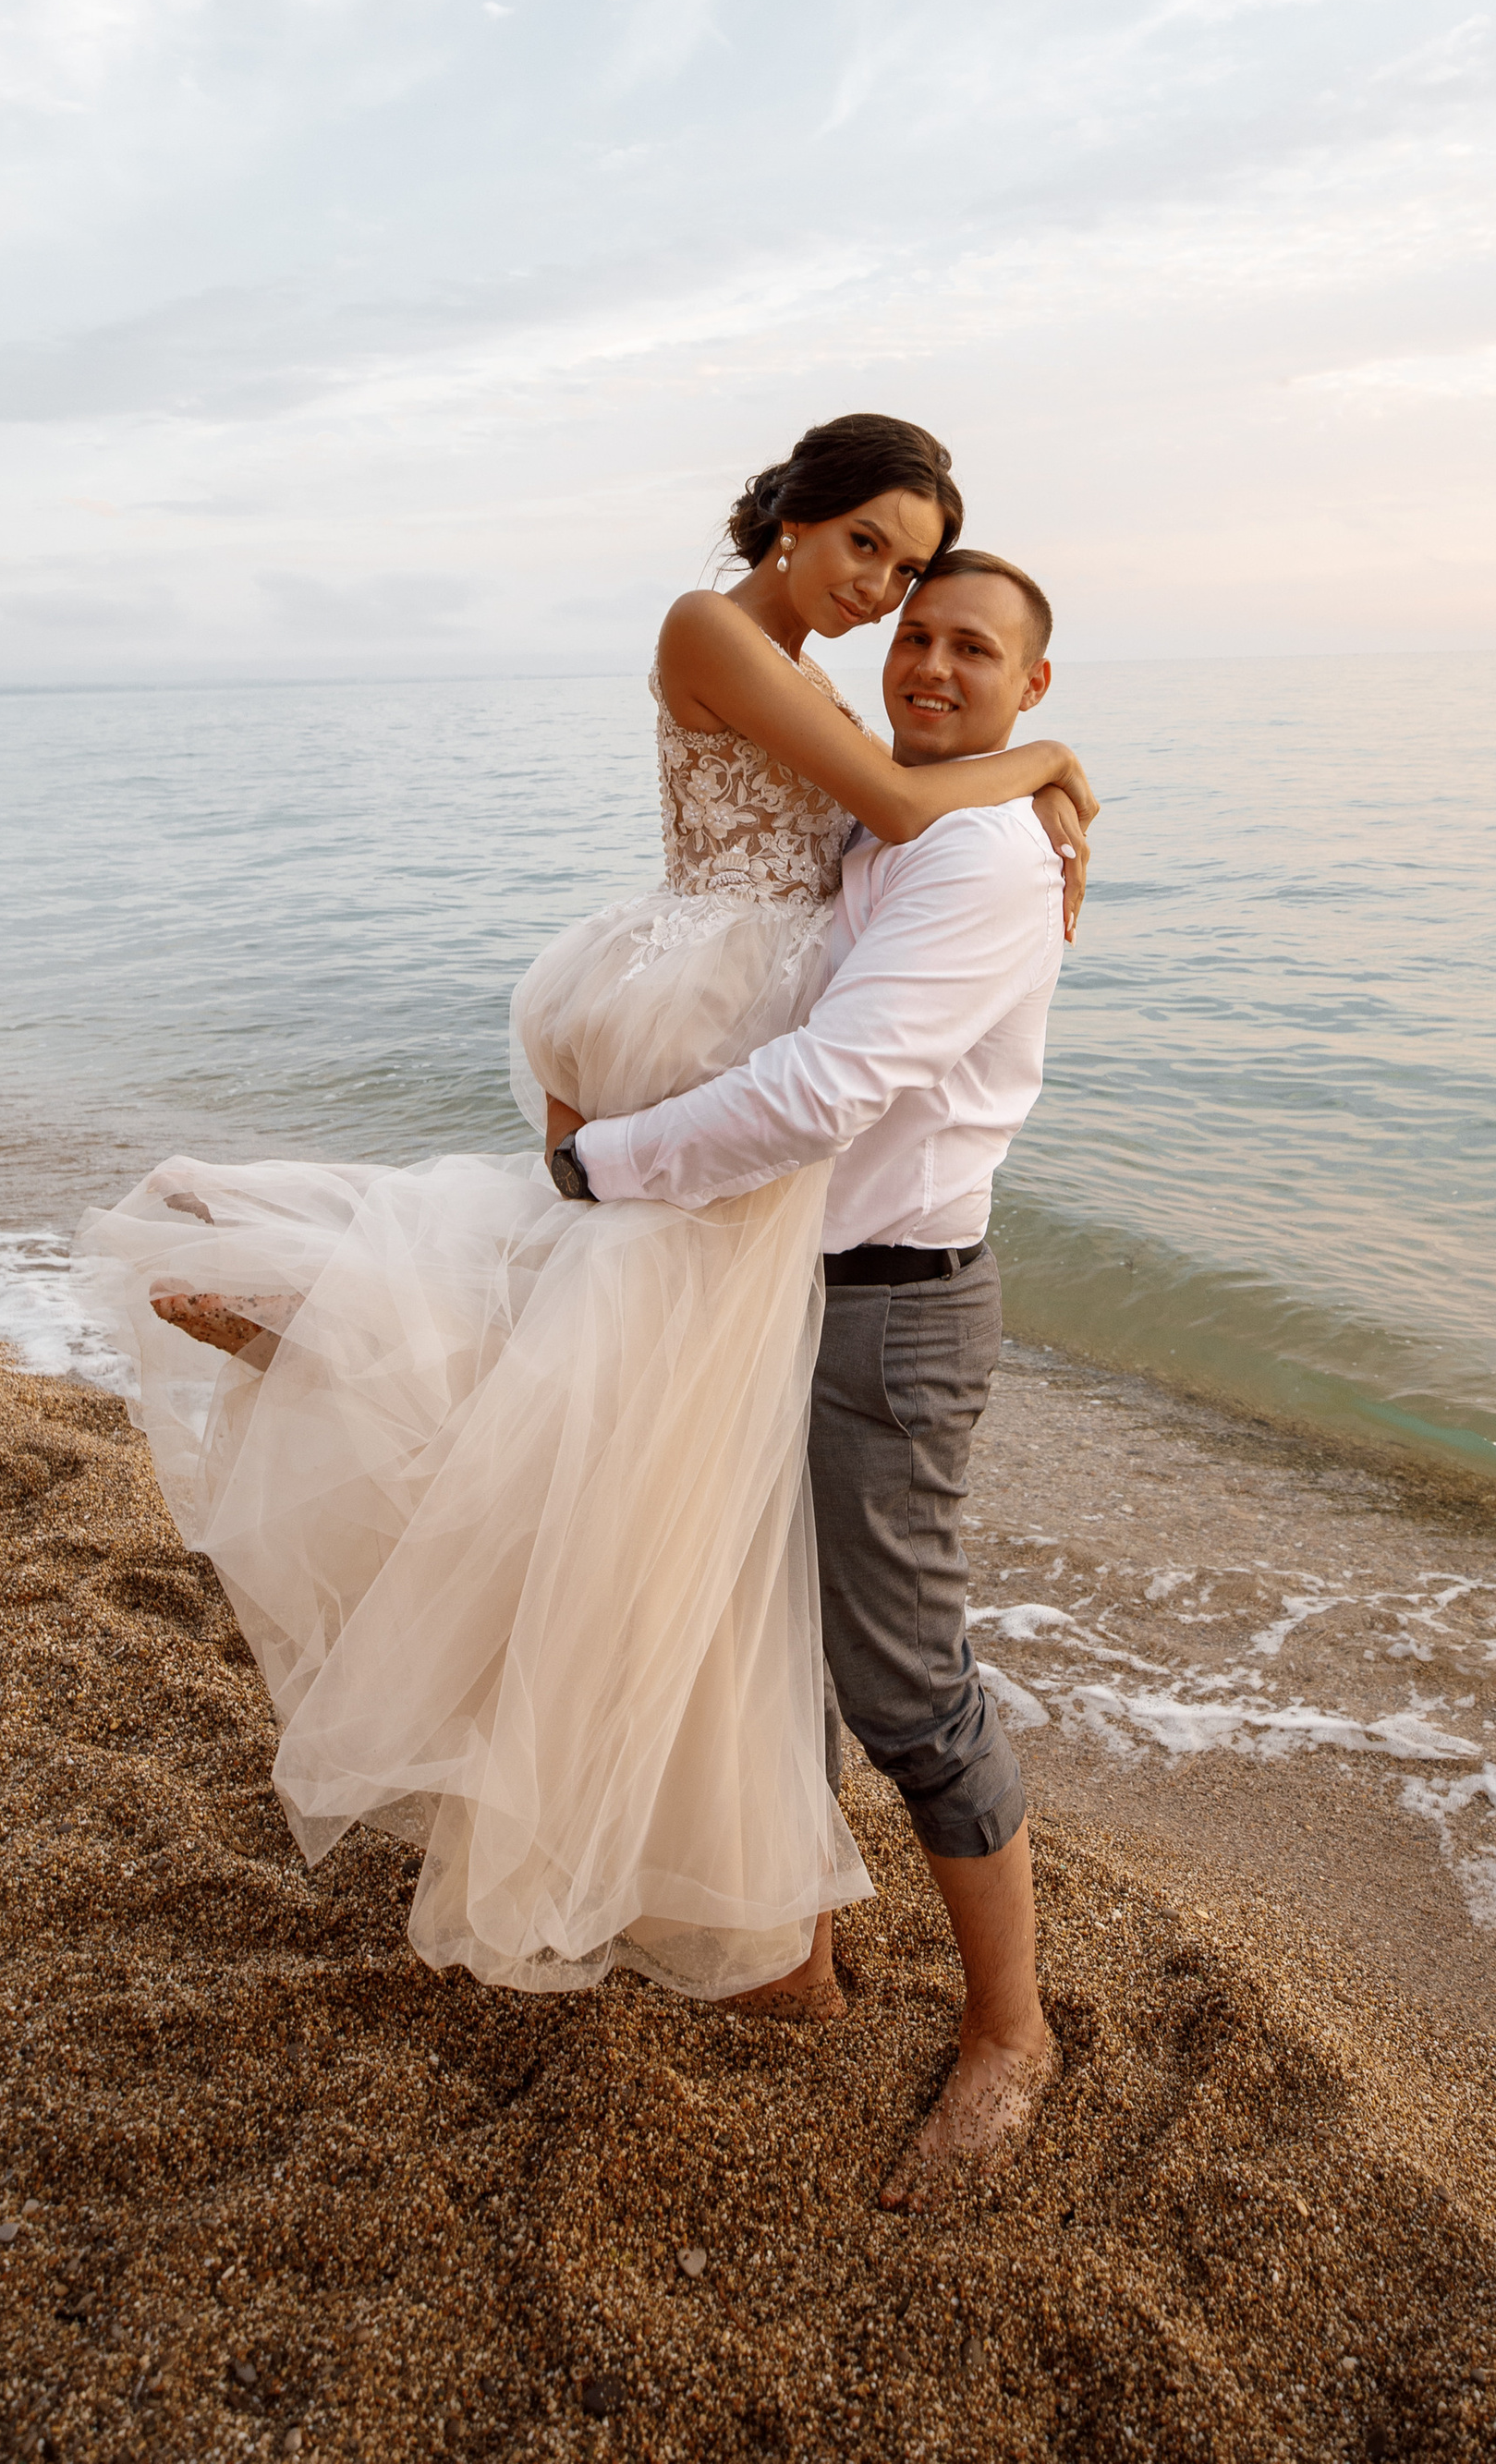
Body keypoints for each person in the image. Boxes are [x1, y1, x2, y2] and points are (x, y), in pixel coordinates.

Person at [77, 416, 1095, 2013]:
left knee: (630, 1406)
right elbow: (893, 812)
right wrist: (1051, 764)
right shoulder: (720, 630)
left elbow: (894, 808)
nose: (889, 602)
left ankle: (340, 1321)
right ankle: (336, 1314)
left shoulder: (931, 806)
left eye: (918, 584)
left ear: (1024, 670)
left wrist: (1015, 773)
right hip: (718, 1017)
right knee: (625, 1397)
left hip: (844, 1206)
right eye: (876, 565)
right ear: (791, 522)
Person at [555, 548, 1069, 2204]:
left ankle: (1012, 2031)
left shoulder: (977, 863)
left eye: (970, 649)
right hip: (768, 1281)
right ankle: (798, 1952)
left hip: (891, 1310)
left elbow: (823, 1086)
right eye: (914, 635)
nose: (927, 666)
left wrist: (602, 1164)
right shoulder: (892, 825)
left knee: (905, 1679)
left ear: (1027, 685)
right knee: (753, 1608)